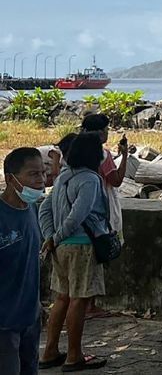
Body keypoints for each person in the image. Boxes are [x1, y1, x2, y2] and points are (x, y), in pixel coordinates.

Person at [38, 132, 112, 372]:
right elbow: (78, 214)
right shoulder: (90, 179)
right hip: (82, 245)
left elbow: (44, 209)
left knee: (61, 297)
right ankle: (74, 355)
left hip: (61, 247)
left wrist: (51, 238)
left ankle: (50, 350)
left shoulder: (61, 178)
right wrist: (57, 236)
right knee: (78, 300)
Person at [1, 147, 46, 375]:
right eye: (33, 174)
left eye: (43, 173)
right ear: (10, 179)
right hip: (4, 324)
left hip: (30, 317)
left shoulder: (32, 210)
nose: (41, 181)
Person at [80, 113, 130, 241]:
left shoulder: (74, 151)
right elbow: (116, 180)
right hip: (101, 205)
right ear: (100, 132)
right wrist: (124, 155)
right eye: (107, 129)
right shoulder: (103, 155)